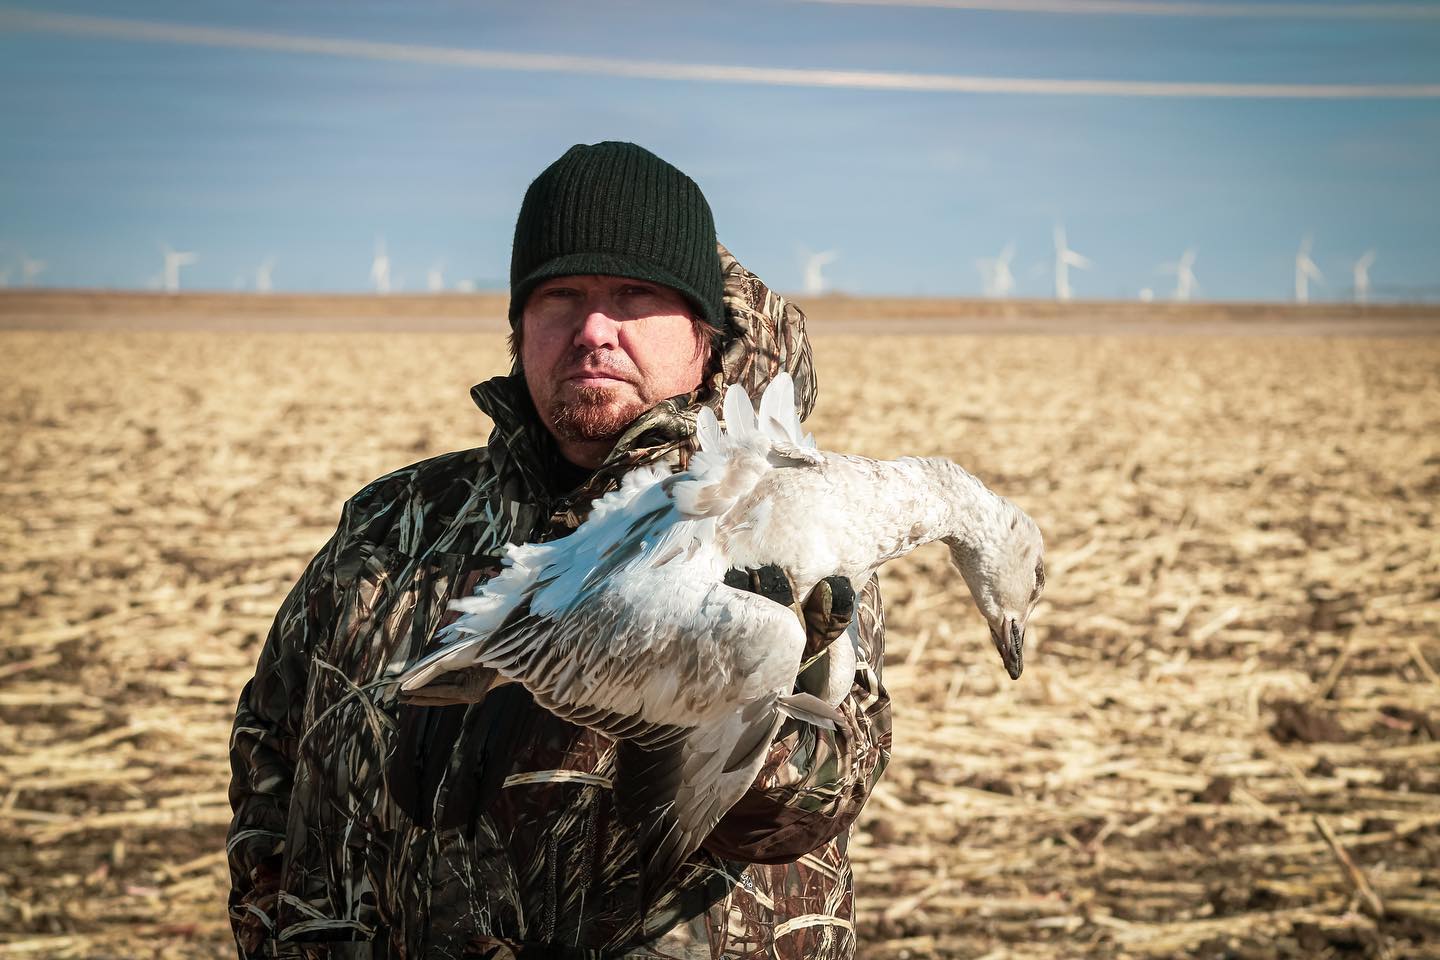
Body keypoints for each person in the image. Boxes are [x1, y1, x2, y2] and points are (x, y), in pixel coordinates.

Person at [227, 141, 892, 959]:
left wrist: (729, 677)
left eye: (633, 295)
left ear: (704, 334)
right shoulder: (389, 525)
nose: (594, 330)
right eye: (560, 296)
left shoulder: (788, 533)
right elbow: (270, 754)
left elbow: (819, 801)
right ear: (518, 327)